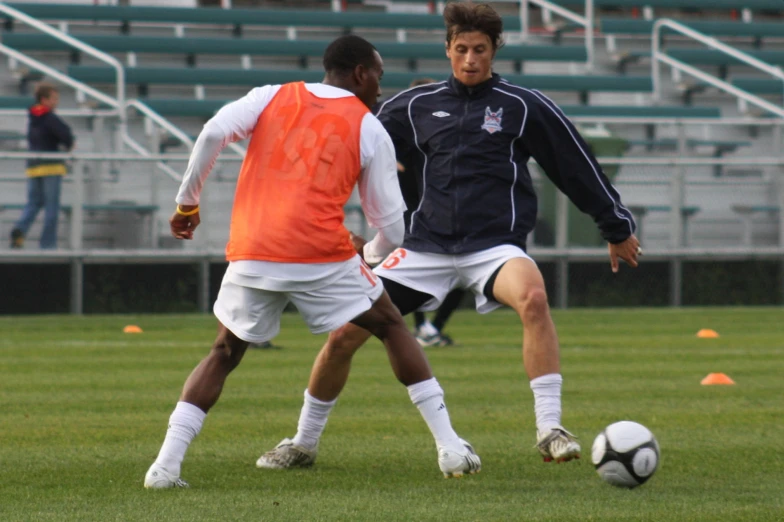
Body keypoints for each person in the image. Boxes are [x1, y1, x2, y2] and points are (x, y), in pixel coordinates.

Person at [257, 1, 640, 470]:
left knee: (533, 299)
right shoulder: (413, 105)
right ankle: (302, 443)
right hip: (424, 248)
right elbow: (347, 139)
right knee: (343, 336)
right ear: (448, 50)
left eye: (480, 49)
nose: (471, 59)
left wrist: (616, 227)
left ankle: (550, 428)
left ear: (494, 49)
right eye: (461, 49)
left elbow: (576, 166)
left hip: (495, 247)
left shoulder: (524, 106)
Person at [143, 35, 479, 489]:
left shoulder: (270, 96)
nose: (380, 87)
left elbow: (213, 133)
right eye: (378, 75)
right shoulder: (368, 125)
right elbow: (393, 226)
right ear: (360, 72)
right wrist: (372, 257)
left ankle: (165, 467)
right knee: (391, 325)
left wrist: (187, 204)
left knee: (224, 352)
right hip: (321, 254)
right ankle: (450, 446)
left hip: (252, 250)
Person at [393, 77, 466, 348]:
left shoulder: (440, 137)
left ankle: (430, 327)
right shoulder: (399, 137)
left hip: (443, 218)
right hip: (412, 219)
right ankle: (423, 327)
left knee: (463, 277)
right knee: (412, 276)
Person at [10, 83, 74, 250]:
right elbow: (67, 136)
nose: (57, 102)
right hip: (51, 166)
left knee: (34, 202)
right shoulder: (50, 118)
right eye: (54, 99)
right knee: (51, 206)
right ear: (44, 99)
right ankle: (48, 244)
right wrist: (68, 145)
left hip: (33, 165)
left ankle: (20, 229)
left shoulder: (33, 118)